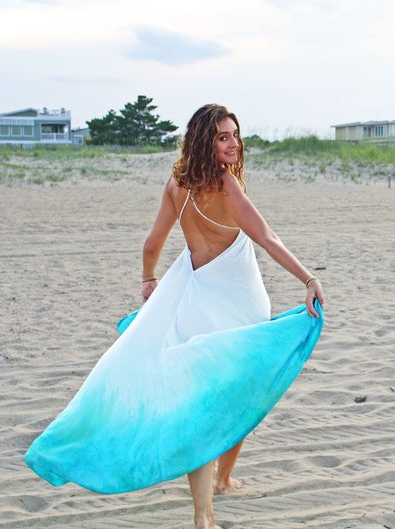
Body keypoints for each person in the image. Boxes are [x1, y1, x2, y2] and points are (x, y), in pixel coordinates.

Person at [140, 103, 325, 529]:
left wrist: (149, 282)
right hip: (238, 311)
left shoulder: (175, 185)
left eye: (236, 135)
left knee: (202, 408)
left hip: (196, 307)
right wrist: (309, 278)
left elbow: (152, 244)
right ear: (205, 141)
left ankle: (209, 505)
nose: (234, 143)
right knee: (240, 399)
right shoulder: (226, 187)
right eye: (223, 137)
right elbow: (267, 237)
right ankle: (217, 489)